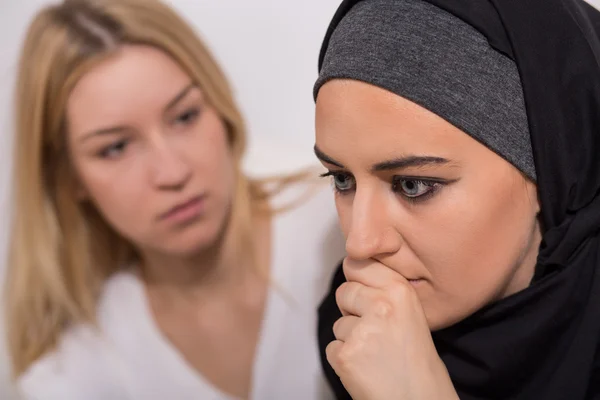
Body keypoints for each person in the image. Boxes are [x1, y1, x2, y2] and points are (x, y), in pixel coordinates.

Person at [5, 0, 345, 399]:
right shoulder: (75, 374)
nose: (172, 173)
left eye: (184, 116)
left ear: (220, 106)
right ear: (69, 178)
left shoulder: (343, 228)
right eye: (115, 148)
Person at [312, 0, 600, 399]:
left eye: (413, 185)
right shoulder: (351, 338)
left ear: (553, 171)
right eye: (342, 179)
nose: (360, 243)